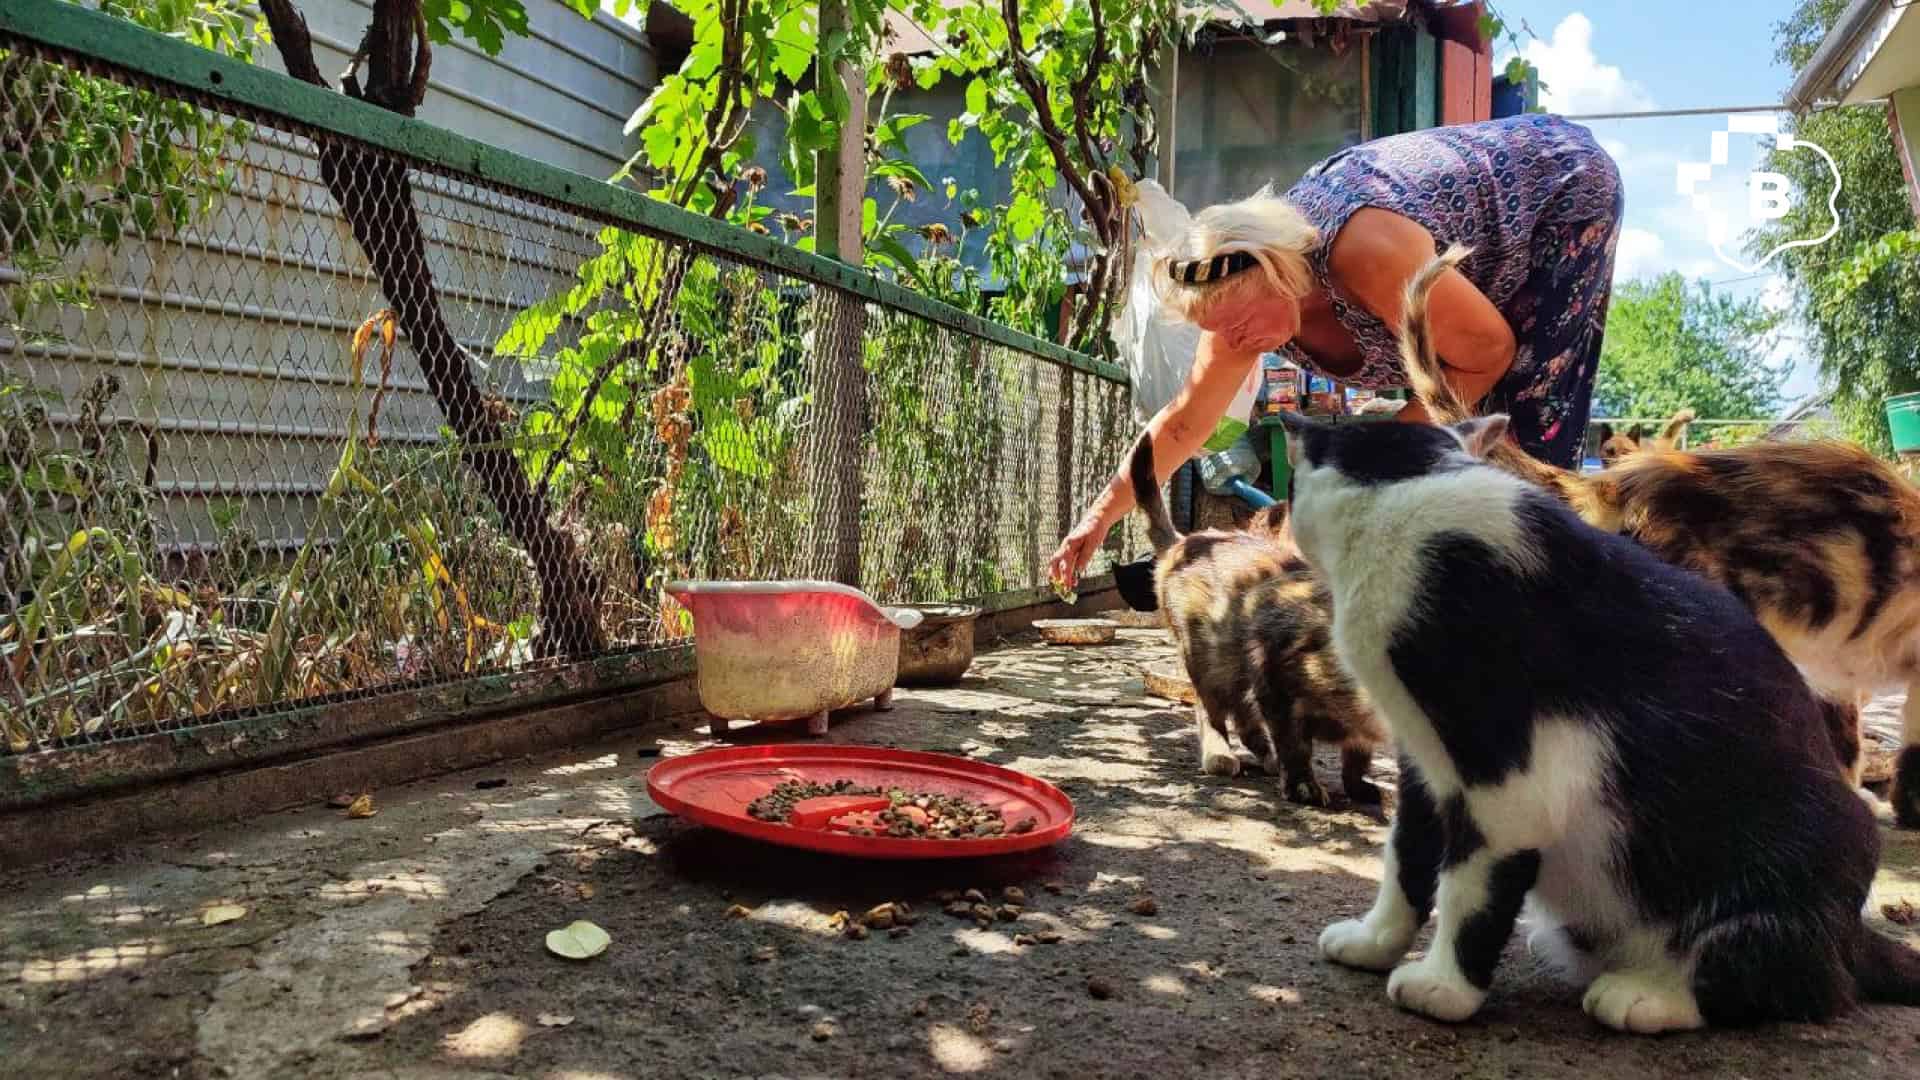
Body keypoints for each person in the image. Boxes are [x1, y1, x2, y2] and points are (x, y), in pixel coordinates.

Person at [1049, 113, 1624, 588]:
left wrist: (1370, 463)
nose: (1239, 342)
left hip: (1555, 188)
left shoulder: (1361, 253)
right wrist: (1098, 520)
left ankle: (1566, 614)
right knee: (1451, 451)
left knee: (1524, 434)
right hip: (1461, 266)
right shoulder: (1235, 308)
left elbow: (1486, 353)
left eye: (1242, 322)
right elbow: (1181, 428)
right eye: (1224, 331)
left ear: (1279, 271)